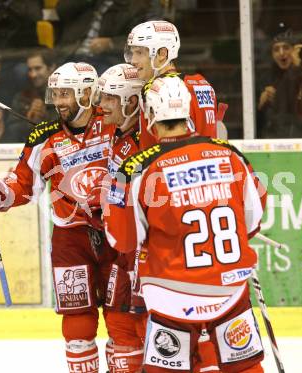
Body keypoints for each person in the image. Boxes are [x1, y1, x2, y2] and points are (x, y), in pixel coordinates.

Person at [104, 75, 267, 372]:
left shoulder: (137, 168)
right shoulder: (230, 155)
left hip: (172, 295)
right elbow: (254, 221)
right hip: (228, 290)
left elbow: (123, 240)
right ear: (189, 111)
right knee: (243, 367)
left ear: (150, 115)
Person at [0, 62, 117, 373]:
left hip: (118, 235)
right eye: (56, 94)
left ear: (88, 93)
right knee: (77, 326)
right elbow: (22, 186)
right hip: (70, 240)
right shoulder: (44, 138)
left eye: (67, 94)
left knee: (123, 320)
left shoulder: (116, 124)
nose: (59, 101)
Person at [93, 63, 146, 372]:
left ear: (130, 101)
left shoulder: (146, 143)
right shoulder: (119, 136)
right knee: (117, 320)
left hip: (139, 251)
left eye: (110, 98)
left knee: (141, 323)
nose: (102, 105)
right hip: (120, 250)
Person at [124, 20, 223, 149]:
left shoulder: (154, 91)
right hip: (208, 163)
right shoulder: (202, 83)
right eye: (133, 53)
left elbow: (148, 152)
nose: (133, 61)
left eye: (139, 53)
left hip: (173, 167)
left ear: (162, 54)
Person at [256, 22, 302, 138]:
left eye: (286, 48)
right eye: (276, 49)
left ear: (295, 50)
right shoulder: (265, 79)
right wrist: (260, 105)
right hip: (274, 138)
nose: (281, 53)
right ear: (271, 54)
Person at [9, 49, 57, 137]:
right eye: (30, 70)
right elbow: (11, 130)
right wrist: (29, 120)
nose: (33, 74)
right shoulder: (22, 97)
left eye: (38, 68)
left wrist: (46, 117)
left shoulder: (64, 95)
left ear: (51, 68)